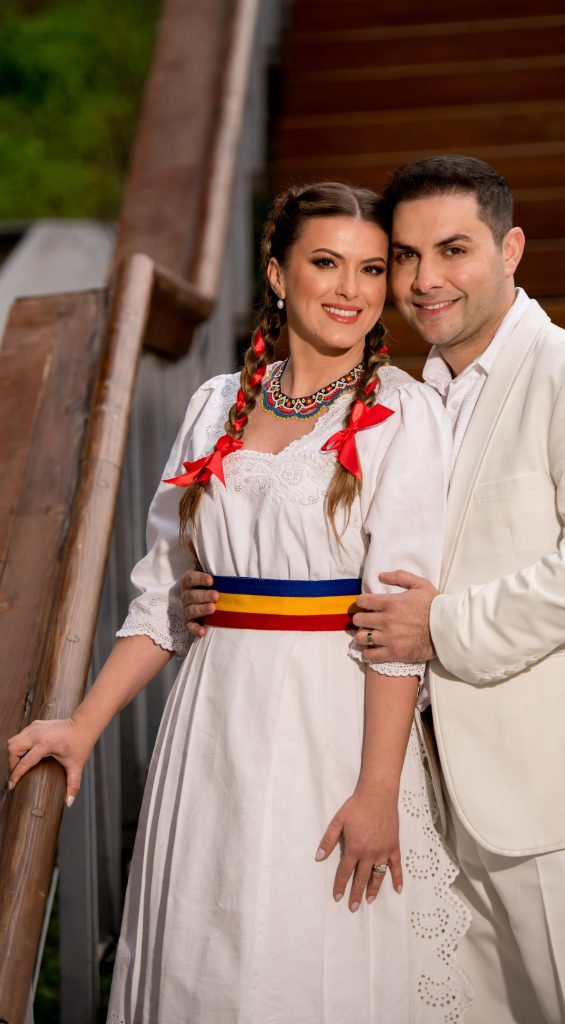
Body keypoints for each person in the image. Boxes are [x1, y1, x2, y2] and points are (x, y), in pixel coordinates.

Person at [182, 155, 565, 1024]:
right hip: (443, 800)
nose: (424, 280)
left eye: (453, 250)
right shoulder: (412, 398)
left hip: (563, 791)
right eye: (405, 257)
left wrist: (439, 626)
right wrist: (218, 591)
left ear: (510, 249)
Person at [7, 182, 474, 1023]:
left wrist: (377, 790)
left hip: (332, 722)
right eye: (325, 263)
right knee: (205, 945)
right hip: (212, 719)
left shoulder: (402, 413)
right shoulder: (214, 404)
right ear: (278, 275)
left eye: (372, 269)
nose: (351, 289)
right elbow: (163, 591)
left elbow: (397, 623)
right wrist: (82, 726)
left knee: (311, 948)